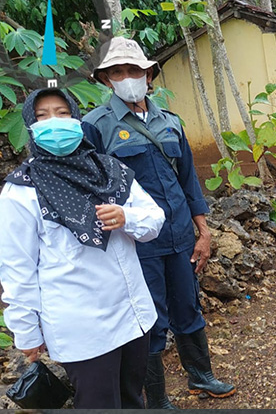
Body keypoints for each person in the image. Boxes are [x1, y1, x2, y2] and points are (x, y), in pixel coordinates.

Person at [82, 37, 235, 407]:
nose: (127, 77)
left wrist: (203, 230)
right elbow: (92, 188)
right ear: (106, 80)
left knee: (188, 306)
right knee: (148, 319)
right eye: (118, 71)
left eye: (134, 70)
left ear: (149, 74)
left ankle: (201, 377)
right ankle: (157, 399)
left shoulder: (170, 121)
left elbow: (187, 180)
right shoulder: (96, 127)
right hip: (137, 242)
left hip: (180, 234)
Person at [0, 88, 165, 408]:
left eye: (62, 114)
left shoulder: (109, 169)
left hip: (133, 316)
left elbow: (154, 219)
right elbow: (17, 269)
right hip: (82, 329)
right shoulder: (21, 192)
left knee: (133, 399)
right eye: (42, 116)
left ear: (76, 118)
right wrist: (27, 334)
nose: (55, 123)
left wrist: (126, 217)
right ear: (30, 127)